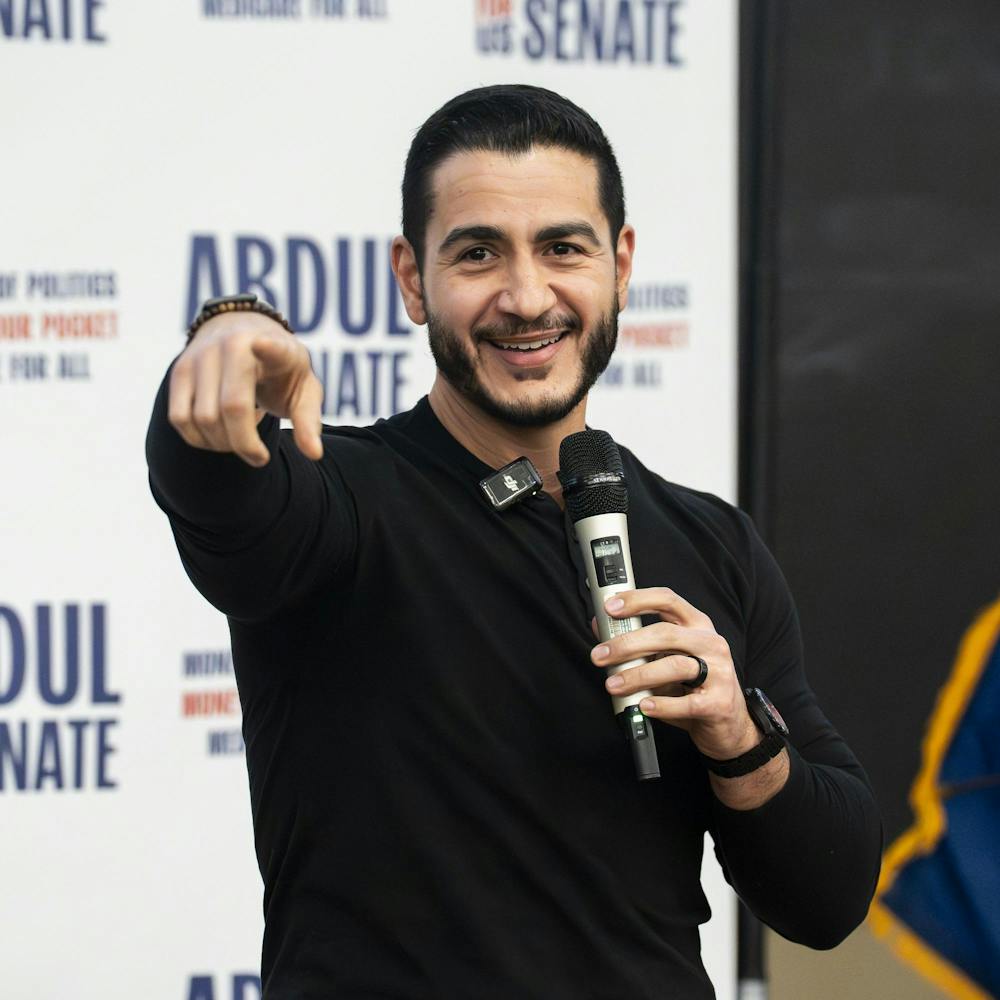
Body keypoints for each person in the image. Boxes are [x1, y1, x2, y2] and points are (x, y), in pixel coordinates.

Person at [147, 84, 881, 999]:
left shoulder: (713, 542)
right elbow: (216, 483)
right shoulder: (336, 502)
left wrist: (738, 735)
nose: (527, 297)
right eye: (478, 253)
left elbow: (828, 899)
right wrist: (229, 333)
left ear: (620, 264)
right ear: (412, 279)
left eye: (563, 248)